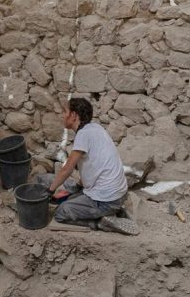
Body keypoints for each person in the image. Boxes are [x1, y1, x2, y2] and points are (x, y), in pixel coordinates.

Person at [35, 97, 138, 235]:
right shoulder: (95, 128)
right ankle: (115, 210)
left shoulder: (83, 135)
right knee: (70, 196)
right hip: (117, 194)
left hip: (106, 200)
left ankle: (101, 222)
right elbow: (94, 166)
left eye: (65, 111)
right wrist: (78, 186)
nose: (62, 115)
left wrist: (49, 191)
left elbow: (67, 169)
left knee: (61, 212)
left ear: (74, 115)